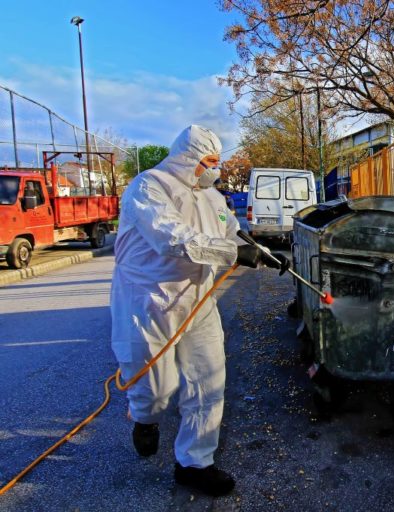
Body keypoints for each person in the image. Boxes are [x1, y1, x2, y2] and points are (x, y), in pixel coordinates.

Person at [110, 125, 289, 497]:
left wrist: (261, 251)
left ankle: (194, 463)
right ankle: (145, 419)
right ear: (188, 157)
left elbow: (232, 231)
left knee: (208, 380)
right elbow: (171, 237)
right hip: (150, 303)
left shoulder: (211, 196)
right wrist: (232, 253)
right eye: (209, 162)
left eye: (218, 162)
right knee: (154, 388)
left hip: (199, 300)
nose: (215, 169)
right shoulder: (149, 187)